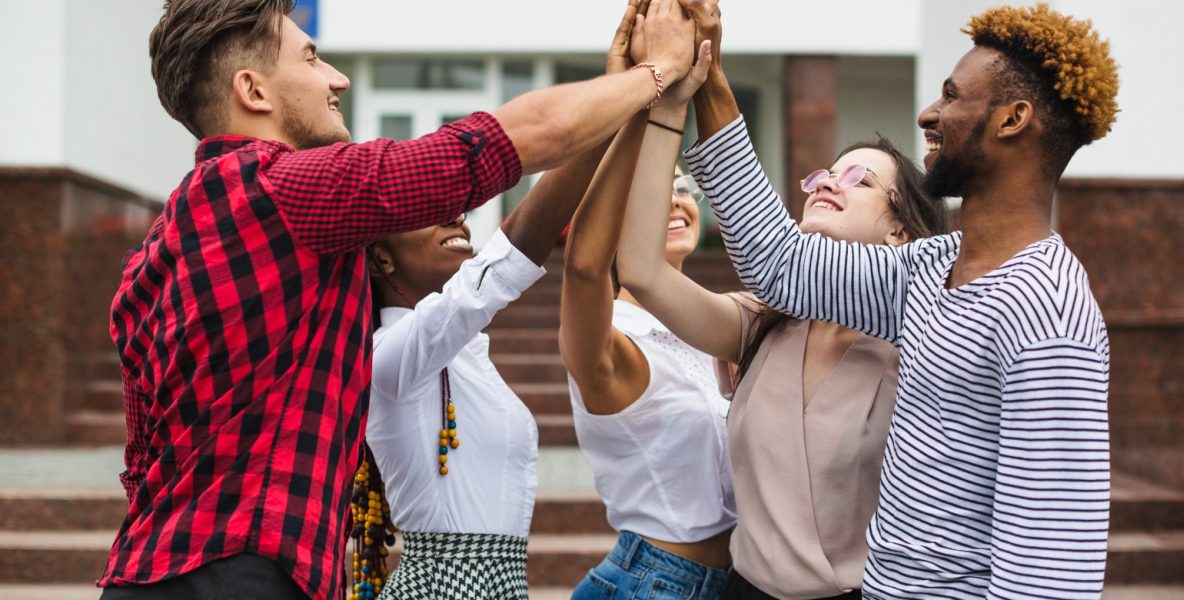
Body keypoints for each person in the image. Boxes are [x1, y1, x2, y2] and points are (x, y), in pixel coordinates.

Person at [100, 0, 698, 598]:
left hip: (144, 570)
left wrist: (620, 94)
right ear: (253, 90)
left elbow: (139, 461)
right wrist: (656, 72)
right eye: (311, 58)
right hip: (241, 576)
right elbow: (503, 143)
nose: (338, 77)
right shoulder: (287, 189)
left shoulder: (149, 258)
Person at [681, 2, 1117, 598]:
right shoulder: (931, 268)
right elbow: (778, 263)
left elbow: (1050, 574)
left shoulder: (1048, 312)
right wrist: (708, 72)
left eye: (952, 96)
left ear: (1013, 119)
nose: (928, 114)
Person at [615, 37, 947, 596]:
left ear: (900, 230)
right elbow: (644, 271)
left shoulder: (921, 337)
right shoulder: (765, 321)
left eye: (856, 180)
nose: (825, 185)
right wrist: (670, 107)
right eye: (821, 175)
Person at [352, 7, 663, 599]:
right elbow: (511, 254)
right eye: (424, 211)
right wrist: (621, 96)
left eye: (452, 205)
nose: (455, 213)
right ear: (381, 259)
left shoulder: (461, 353)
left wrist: (623, 107)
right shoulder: (389, 357)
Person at [558, 32, 733, 600]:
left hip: (739, 581)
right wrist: (638, 98)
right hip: (655, 584)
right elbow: (584, 269)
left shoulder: (715, 330)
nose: (676, 201)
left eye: (683, 190)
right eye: (657, 190)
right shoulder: (614, 340)